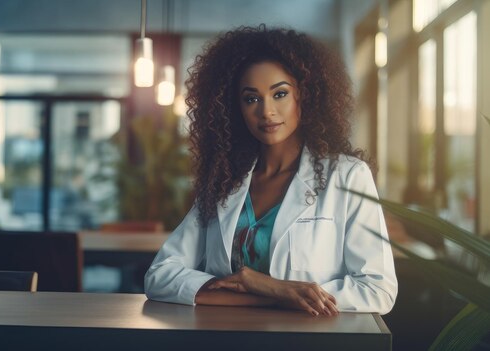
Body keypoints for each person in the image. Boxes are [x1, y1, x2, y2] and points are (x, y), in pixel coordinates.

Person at [144, 25, 397, 316]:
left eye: (280, 94)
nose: (266, 111)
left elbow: (378, 290)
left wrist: (255, 283)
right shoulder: (225, 179)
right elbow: (159, 276)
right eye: (251, 99)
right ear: (234, 108)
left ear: (305, 95)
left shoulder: (348, 176)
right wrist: (276, 291)